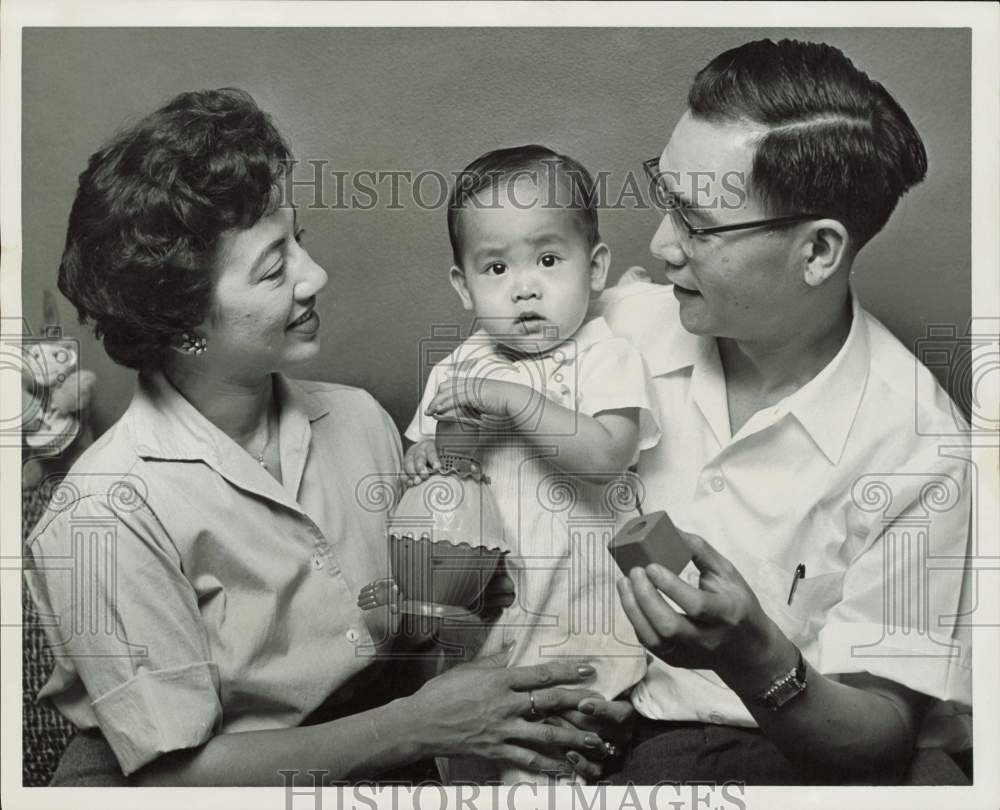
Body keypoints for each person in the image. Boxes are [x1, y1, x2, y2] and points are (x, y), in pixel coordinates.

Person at [23, 88, 632, 787]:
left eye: (299, 244)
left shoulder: (360, 421)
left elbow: (415, 638)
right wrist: (417, 726)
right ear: (182, 322)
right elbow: (169, 779)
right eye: (275, 267)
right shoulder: (102, 513)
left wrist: (476, 628)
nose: (317, 277)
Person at [596, 38, 972, 785]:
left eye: (697, 223)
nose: (659, 243)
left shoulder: (922, 454)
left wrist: (756, 655)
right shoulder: (611, 328)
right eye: (663, 197)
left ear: (818, 252)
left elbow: (881, 740)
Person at [402, 146, 658, 784]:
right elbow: (437, 463)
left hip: (587, 628)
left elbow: (606, 456)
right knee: (475, 764)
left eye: (548, 260)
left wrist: (513, 398)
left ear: (594, 267)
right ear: (463, 285)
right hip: (489, 628)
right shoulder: (458, 368)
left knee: (558, 764)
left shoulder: (606, 357)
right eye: (496, 267)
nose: (525, 286)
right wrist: (424, 457)